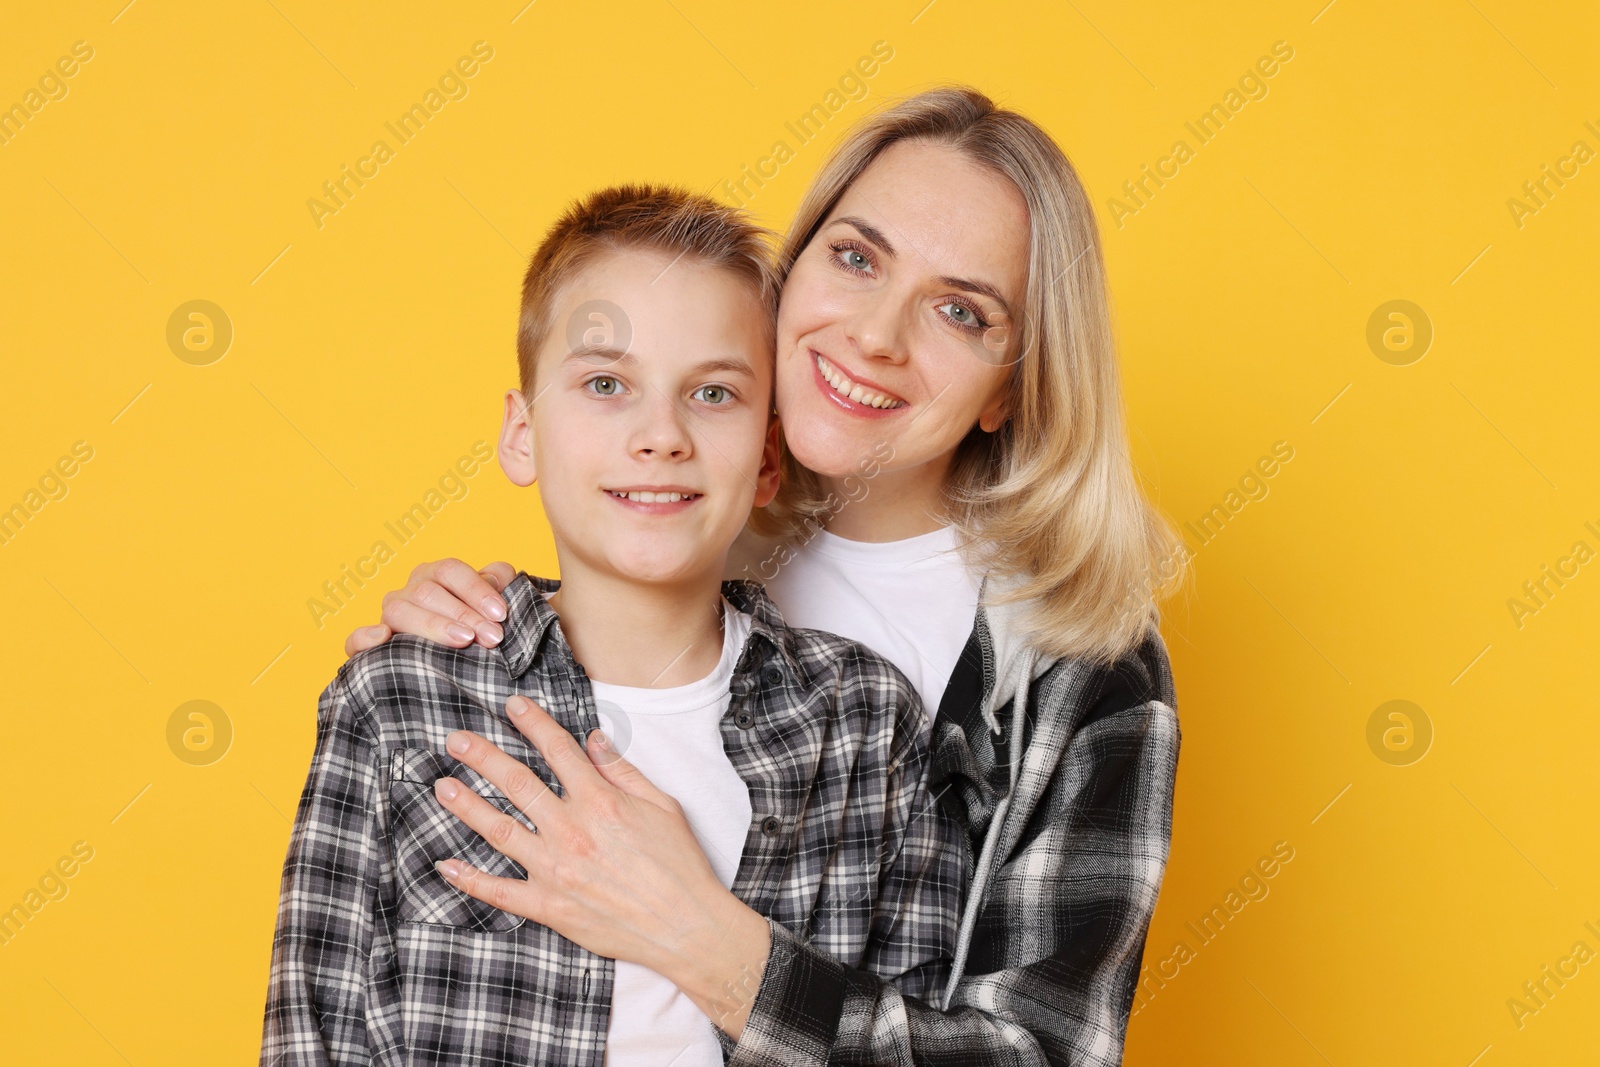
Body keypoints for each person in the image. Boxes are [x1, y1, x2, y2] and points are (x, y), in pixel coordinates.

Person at [344, 86, 1190, 1065]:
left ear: (1011, 385)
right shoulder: (683, 508)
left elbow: (1043, 1052)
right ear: (788, 277)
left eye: (960, 311)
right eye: (856, 257)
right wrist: (474, 630)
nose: (877, 333)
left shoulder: (1079, 665)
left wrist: (706, 940)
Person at [260, 184, 962, 1067]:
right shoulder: (400, 700)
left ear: (768, 459)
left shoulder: (863, 724)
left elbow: (910, 1038)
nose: (660, 434)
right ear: (523, 434)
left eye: (712, 393)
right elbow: (313, 1035)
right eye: (604, 384)